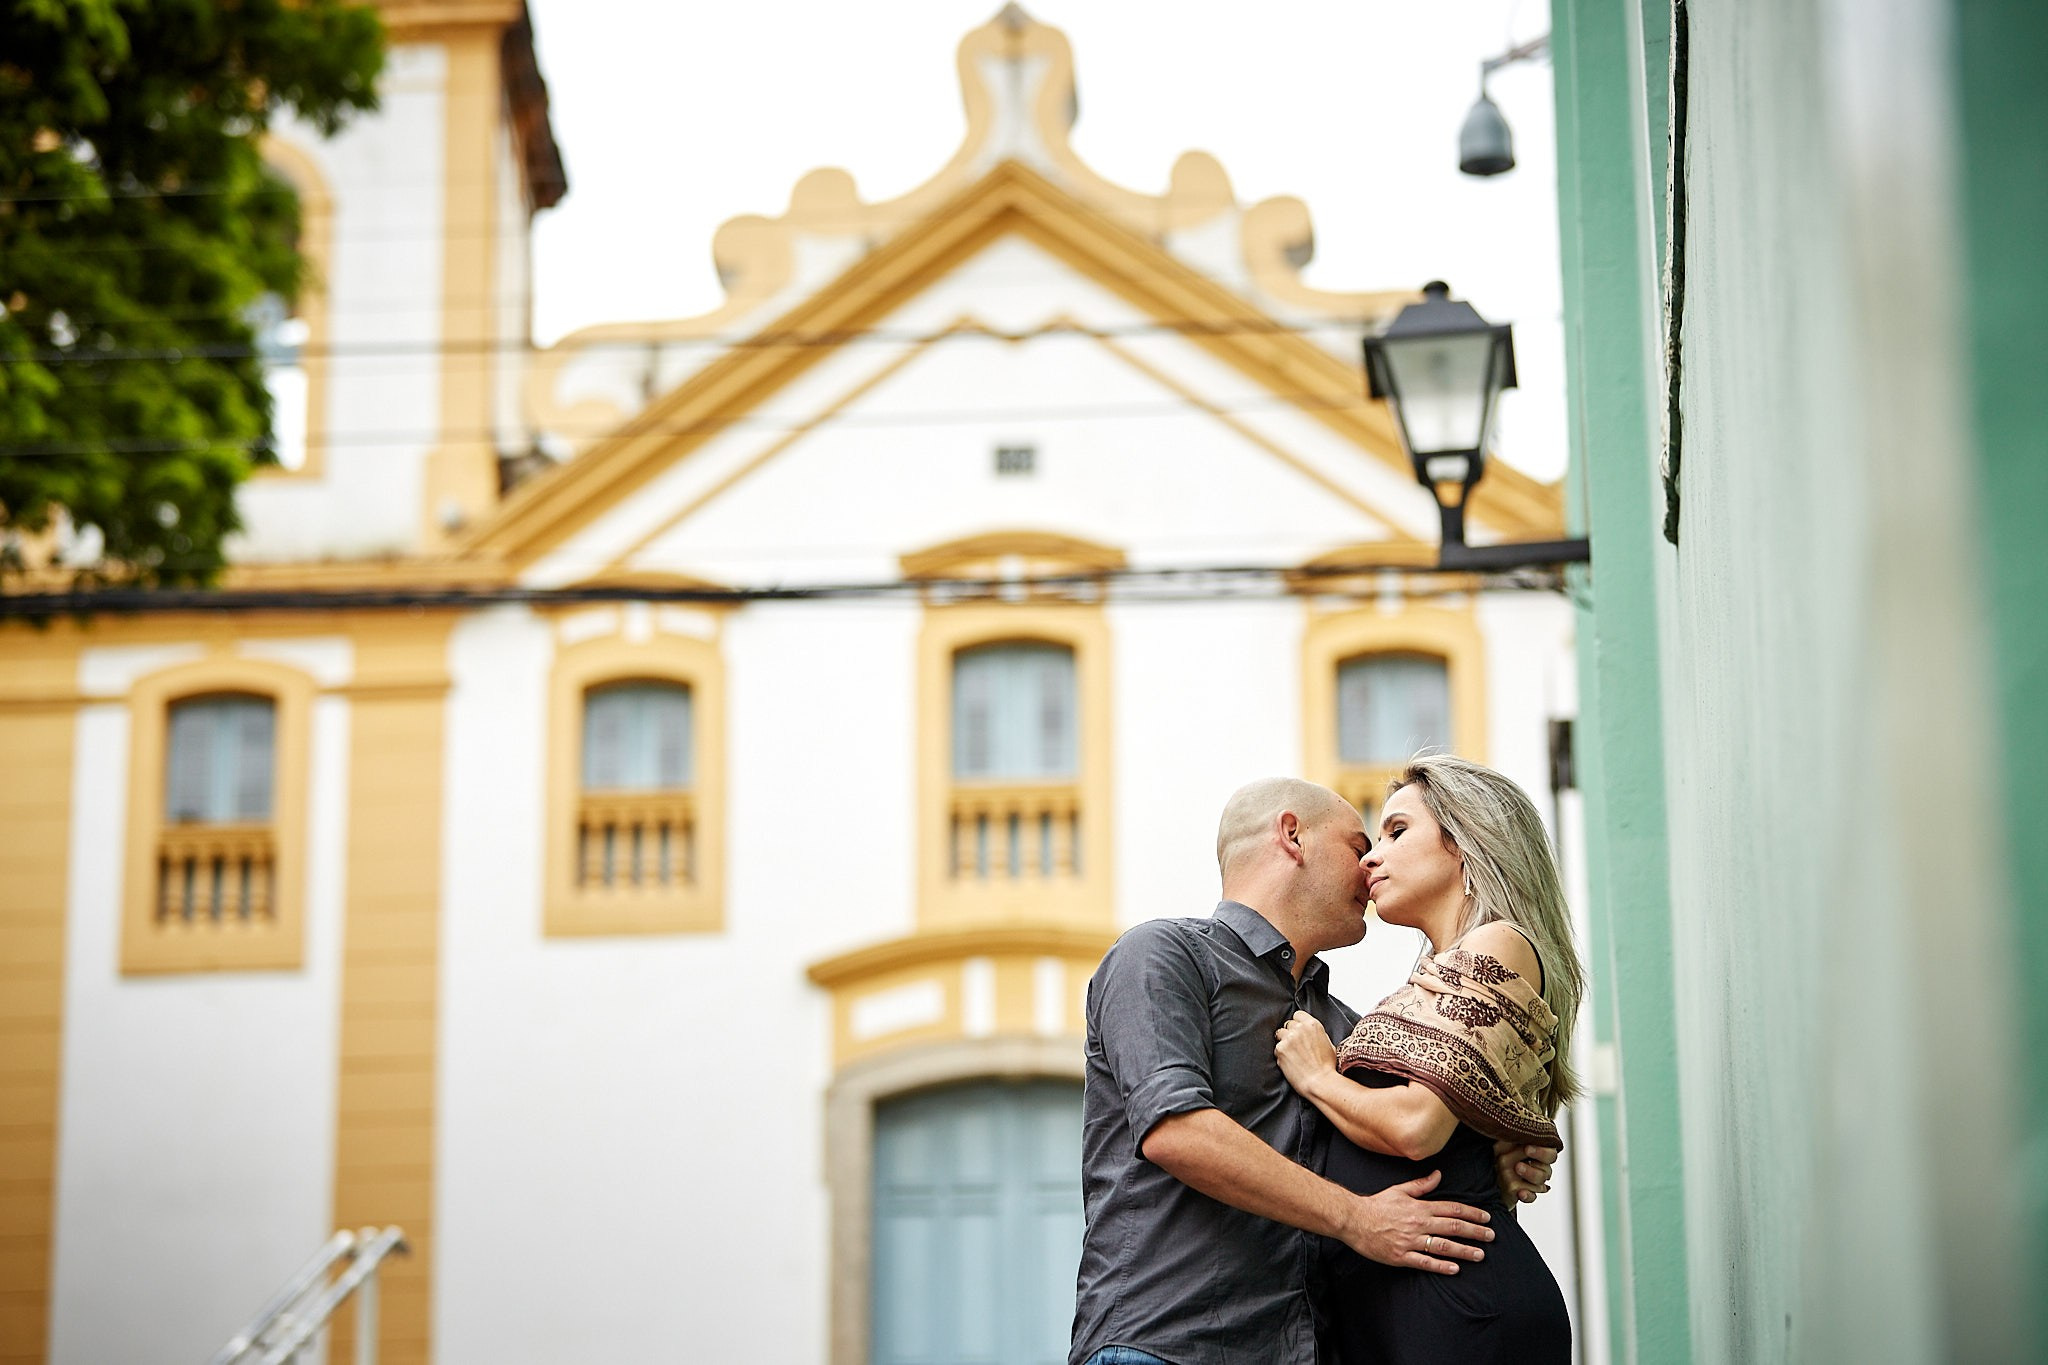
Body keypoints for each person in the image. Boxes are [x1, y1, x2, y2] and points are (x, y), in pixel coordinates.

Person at [1069, 776, 1557, 1365]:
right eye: (1358, 846)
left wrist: (1492, 1146)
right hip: (1167, 1343)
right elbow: (1176, 1131)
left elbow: (1397, 1139)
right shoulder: (1163, 955)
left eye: (1392, 836)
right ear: (1292, 836)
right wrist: (1359, 1219)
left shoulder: (1349, 1027)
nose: (1370, 863)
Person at [1275, 755, 1583, 1364]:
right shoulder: (1441, 976)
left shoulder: (1498, 942)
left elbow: (1416, 1128)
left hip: (1456, 1308)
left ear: (1466, 841)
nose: (1370, 858)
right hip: (1419, 1309)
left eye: (1396, 831)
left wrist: (1317, 1075)